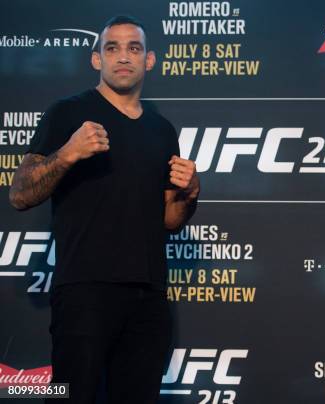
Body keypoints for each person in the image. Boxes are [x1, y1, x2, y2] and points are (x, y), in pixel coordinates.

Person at [9, 15, 199, 403]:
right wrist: (67, 154)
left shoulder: (163, 130)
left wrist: (191, 193)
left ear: (149, 61)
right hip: (84, 290)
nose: (123, 57)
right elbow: (20, 194)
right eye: (112, 48)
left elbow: (170, 219)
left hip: (148, 295)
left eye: (134, 48)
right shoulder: (66, 113)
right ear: (96, 59)